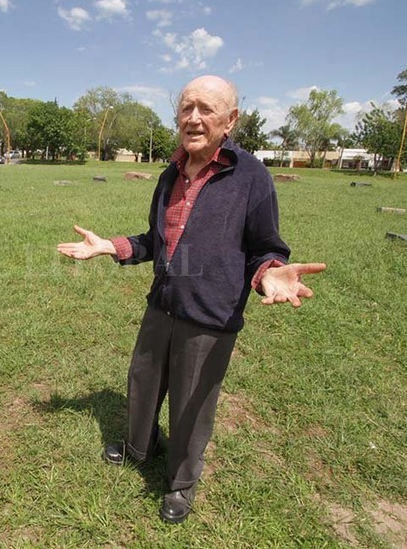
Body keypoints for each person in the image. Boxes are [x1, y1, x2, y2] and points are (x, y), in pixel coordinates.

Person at [57, 75, 326, 524]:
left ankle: (181, 483)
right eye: (186, 108)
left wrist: (270, 273)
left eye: (206, 109)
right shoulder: (170, 174)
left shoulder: (251, 177)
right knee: (143, 380)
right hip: (162, 302)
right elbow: (155, 241)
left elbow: (265, 247)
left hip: (211, 316)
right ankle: (139, 447)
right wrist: (111, 246)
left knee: (191, 404)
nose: (194, 118)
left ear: (230, 120)